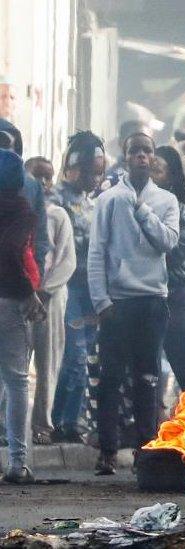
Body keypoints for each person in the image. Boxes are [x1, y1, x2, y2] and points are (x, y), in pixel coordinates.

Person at [88, 132, 179, 475]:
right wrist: (101, 301)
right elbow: (97, 252)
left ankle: (146, 451)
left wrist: (141, 209)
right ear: (125, 157)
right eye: (134, 151)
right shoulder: (108, 200)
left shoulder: (166, 201)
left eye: (147, 151)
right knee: (110, 378)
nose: (141, 156)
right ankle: (107, 451)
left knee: (148, 378)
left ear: (153, 158)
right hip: (118, 302)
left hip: (152, 300)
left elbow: (167, 241)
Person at [50, 132, 105, 444]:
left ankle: (64, 418)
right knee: (74, 356)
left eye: (97, 173)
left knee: (83, 357)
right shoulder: (55, 200)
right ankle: (68, 421)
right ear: (70, 168)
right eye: (86, 171)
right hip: (67, 289)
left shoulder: (94, 203)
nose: (93, 179)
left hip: (90, 291)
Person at [0, 148, 46, 483]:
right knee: (17, 381)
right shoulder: (19, 208)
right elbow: (12, 250)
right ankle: (18, 463)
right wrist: (28, 292)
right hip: (8, 300)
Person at [152, 145, 185, 391]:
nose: (152, 176)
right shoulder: (131, 204)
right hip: (145, 298)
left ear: (171, 176)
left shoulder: (180, 212)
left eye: (158, 171)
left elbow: (178, 255)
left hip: (173, 298)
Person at [29, 183, 76, 444]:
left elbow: (67, 260)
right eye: (37, 176)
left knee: (48, 361)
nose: (43, 184)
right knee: (14, 366)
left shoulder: (57, 215)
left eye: (47, 177)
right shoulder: (18, 213)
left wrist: (44, 293)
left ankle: (42, 426)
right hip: (20, 296)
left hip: (51, 297)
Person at [0, 119, 50, 274]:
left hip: (17, 279)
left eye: (6, 146)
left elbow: (40, 236)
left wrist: (36, 276)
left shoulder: (30, 186)